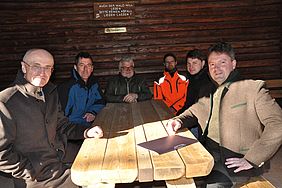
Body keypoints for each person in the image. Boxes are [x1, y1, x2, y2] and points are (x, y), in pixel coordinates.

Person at [165, 42, 282, 187]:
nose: (217, 69)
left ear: (233, 64)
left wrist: (252, 158)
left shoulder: (253, 88)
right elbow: (194, 111)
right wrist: (178, 121)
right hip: (207, 154)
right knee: (175, 174)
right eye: (212, 64)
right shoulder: (207, 89)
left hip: (235, 161)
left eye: (222, 62)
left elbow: (278, 124)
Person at [0, 49, 103, 188]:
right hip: (38, 174)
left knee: (102, 159)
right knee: (97, 181)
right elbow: (1, 154)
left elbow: (62, 125)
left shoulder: (50, 92)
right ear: (24, 67)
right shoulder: (6, 101)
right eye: (36, 66)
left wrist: (86, 132)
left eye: (48, 68)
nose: (42, 73)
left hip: (62, 153)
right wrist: (30, 171)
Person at [58, 52, 105, 127]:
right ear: (75, 68)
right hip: (71, 130)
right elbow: (60, 117)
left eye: (88, 65)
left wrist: (92, 112)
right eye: (81, 65)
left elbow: (101, 101)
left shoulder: (94, 85)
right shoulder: (66, 87)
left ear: (92, 68)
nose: (85, 69)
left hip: (89, 125)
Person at [177, 49, 212, 138]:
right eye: (189, 63)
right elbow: (188, 103)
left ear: (203, 63)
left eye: (194, 63)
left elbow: (200, 108)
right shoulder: (193, 79)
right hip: (191, 120)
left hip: (200, 126)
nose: (191, 66)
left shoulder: (206, 81)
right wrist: (177, 116)